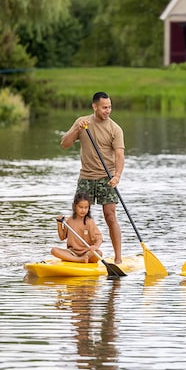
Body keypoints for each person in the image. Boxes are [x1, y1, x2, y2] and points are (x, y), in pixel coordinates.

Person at [61, 91, 124, 264]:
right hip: (86, 177)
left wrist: (117, 176)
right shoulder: (83, 122)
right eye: (104, 107)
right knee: (78, 216)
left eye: (109, 107)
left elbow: (119, 155)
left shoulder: (115, 129)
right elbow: (64, 144)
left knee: (110, 217)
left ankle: (118, 258)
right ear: (94, 107)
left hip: (107, 177)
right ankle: (76, 254)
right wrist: (76, 129)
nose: (108, 110)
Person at [52, 192, 104, 263]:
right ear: (74, 206)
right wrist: (59, 224)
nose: (83, 210)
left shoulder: (89, 222)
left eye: (86, 207)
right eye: (81, 207)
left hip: (86, 253)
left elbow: (99, 238)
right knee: (54, 250)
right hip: (72, 252)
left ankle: (78, 259)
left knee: (99, 253)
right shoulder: (69, 220)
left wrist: (96, 246)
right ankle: (80, 260)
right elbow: (62, 237)